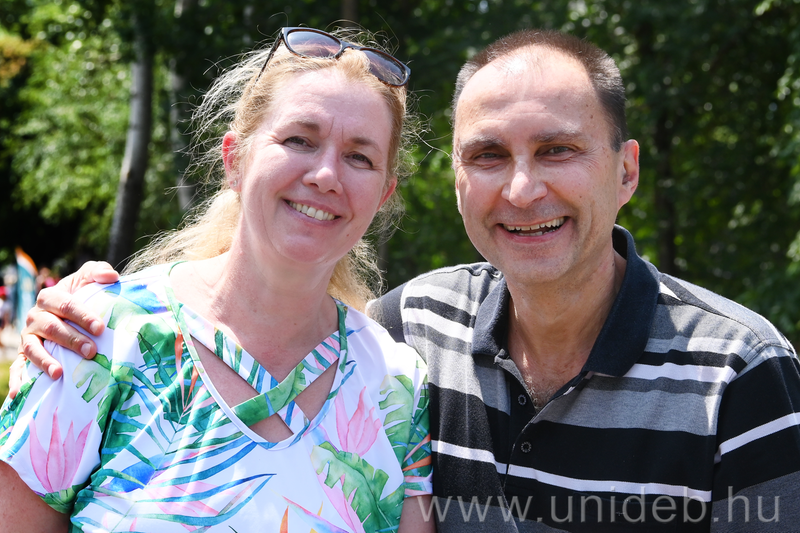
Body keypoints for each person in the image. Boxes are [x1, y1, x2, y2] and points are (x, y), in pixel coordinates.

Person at [15, 28, 800, 532]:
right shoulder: (418, 332)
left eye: (558, 150)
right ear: (234, 157)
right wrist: (80, 309)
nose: (522, 188)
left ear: (626, 171)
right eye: (488, 155)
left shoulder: (740, 373)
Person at [1, 26, 434, 532]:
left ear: (383, 196)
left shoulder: (397, 385)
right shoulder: (96, 338)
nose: (326, 175)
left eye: (359, 157)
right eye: (299, 140)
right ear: (235, 160)